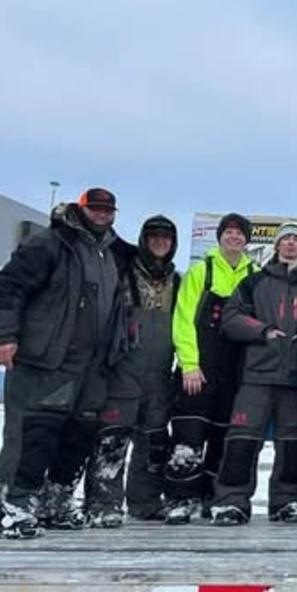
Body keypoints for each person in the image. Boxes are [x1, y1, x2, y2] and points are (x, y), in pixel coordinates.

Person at [0, 188, 126, 538]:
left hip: (91, 365)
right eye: (95, 209)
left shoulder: (110, 252)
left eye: (108, 210)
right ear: (80, 209)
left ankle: (56, 502)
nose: (102, 215)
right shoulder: (49, 243)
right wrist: (4, 336)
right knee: (31, 434)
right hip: (45, 360)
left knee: (76, 437)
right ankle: (10, 508)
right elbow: (7, 287)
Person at [211, 221, 297, 526]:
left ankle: (288, 502)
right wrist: (262, 331)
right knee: (242, 440)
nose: (290, 245)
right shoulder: (254, 282)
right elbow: (230, 319)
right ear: (276, 246)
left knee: (294, 444)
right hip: (256, 375)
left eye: (296, 241)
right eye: (285, 239)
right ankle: (231, 501)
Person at [84, 215, 180, 527]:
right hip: (123, 368)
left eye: (166, 239)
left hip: (161, 372)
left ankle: (146, 502)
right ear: (144, 239)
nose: (160, 243)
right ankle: (103, 504)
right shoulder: (122, 272)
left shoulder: (177, 281)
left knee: (153, 444)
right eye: (154, 237)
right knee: (112, 441)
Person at [165, 213, 256, 525]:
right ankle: (180, 498)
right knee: (188, 436)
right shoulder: (200, 272)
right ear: (219, 237)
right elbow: (183, 319)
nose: (234, 238)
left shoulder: (254, 275)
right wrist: (189, 364)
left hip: (234, 372)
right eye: (228, 233)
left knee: (223, 438)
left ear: (247, 240)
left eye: (239, 234)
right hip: (199, 369)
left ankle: (210, 497)